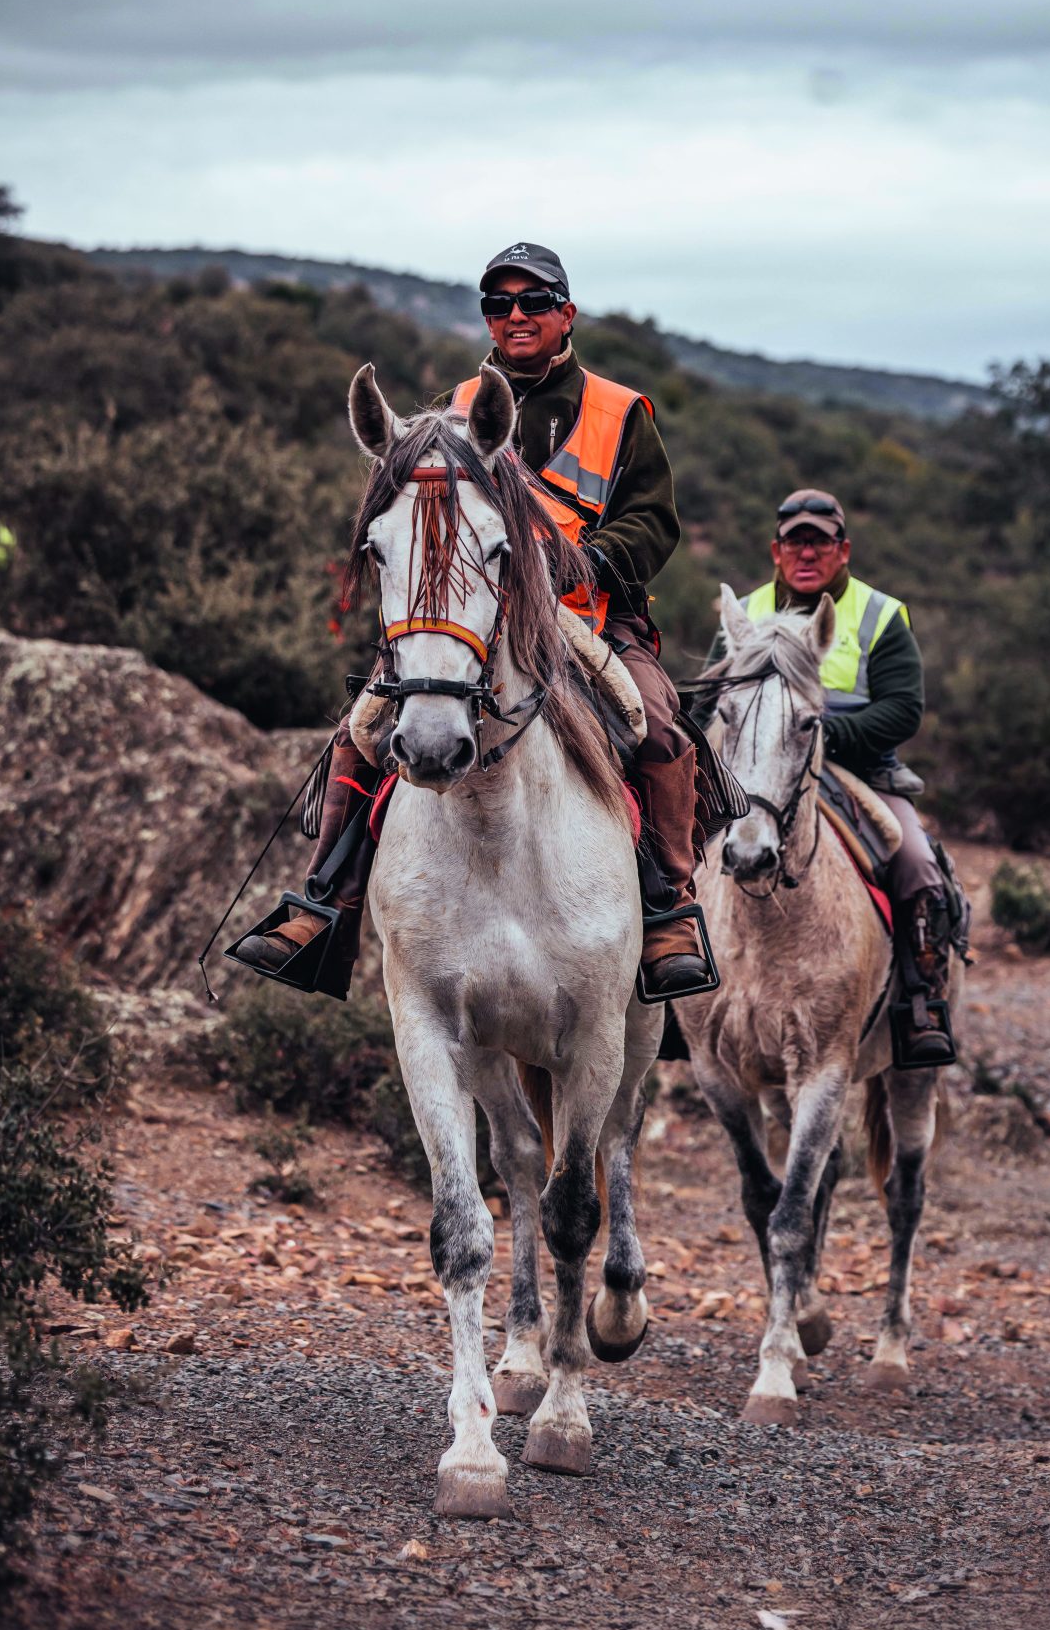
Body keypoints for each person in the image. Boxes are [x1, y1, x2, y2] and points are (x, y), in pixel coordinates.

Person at [233, 241, 712, 1002]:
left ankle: (667, 912)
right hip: (470, 618)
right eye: (499, 304)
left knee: (656, 725)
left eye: (532, 302)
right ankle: (324, 903)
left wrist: (571, 563)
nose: (515, 317)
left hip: (584, 613)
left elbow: (654, 523)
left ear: (566, 314)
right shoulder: (455, 407)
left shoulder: (622, 411)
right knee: (362, 732)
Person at [733, 487, 963, 1067]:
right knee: (679, 848)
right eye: (795, 543)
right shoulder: (747, 612)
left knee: (916, 862)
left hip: (861, 771)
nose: (806, 554)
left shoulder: (880, 614)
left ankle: (920, 997)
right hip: (761, 773)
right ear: (775, 550)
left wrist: (818, 735)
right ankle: (679, 980)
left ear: (844, 550)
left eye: (820, 543)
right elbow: (719, 705)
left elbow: (904, 708)